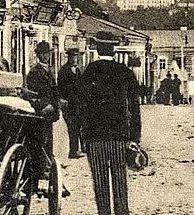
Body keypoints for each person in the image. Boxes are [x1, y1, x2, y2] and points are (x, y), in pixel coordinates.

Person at [80, 31, 142, 215]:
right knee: (120, 181)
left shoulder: (89, 72)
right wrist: (135, 137)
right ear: (114, 49)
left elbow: (82, 107)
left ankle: (104, 212)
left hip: (96, 137)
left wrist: (84, 136)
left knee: (100, 183)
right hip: (120, 136)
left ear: (98, 49)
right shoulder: (125, 72)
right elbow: (134, 108)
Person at [26, 41, 60, 177]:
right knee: (40, 139)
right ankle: (40, 167)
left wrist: (56, 105)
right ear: (38, 55)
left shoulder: (50, 70)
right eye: (42, 54)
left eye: (47, 54)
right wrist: (43, 106)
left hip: (50, 112)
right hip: (41, 112)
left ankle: (47, 165)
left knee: (48, 139)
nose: (45, 56)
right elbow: (31, 94)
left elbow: (54, 91)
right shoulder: (34, 72)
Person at [58, 47, 85, 159]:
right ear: (69, 58)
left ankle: (80, 148)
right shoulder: (63, 70)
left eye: (76, 57)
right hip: (68, 104)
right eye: (73, 57)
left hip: (78, 103)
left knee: (79, 126)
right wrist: (62, 100)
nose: (74, 59)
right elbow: (60, 87)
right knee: (72, 127)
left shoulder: (78, 70)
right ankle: (73, 151)